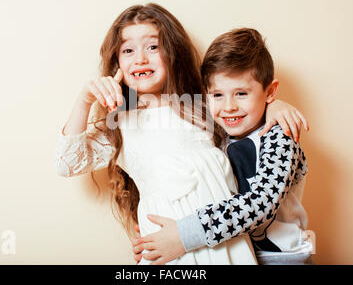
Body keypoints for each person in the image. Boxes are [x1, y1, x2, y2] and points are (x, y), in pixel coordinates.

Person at [54, 4, 307, 264]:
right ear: (116, 62)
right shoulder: (120, 125)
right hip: (169, 252)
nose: (140, 58)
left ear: (172, 52)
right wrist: (85, 100)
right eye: (128, 50)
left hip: (225, 243)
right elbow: (66, 164)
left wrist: (274, 105)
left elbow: (241, 105)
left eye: (153, 47)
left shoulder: (202, 106)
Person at [132, 28, 313, 265]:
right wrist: (153, 237)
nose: (228, 107)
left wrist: (184, 234)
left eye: (240, 93)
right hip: (235, 254)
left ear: (269, 92)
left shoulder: (280, 137)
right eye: (217, 95)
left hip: (281, 259)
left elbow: (260, 205)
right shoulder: (220, 136)